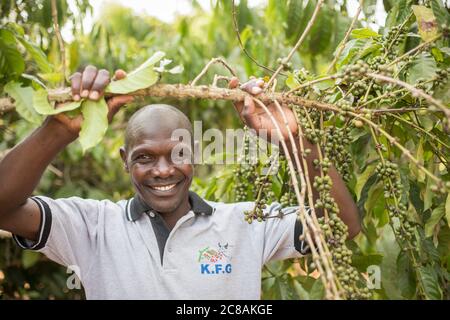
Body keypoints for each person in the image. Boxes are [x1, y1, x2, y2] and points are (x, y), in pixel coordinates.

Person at [0, 66, 360, 299]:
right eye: (144, 157)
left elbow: (342, 227)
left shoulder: (246, 223)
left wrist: (294, 139)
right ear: (125, 160)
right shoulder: (90, 226)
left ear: (195, 156)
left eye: (178, 154)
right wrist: (57, 130)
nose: (162, 170)